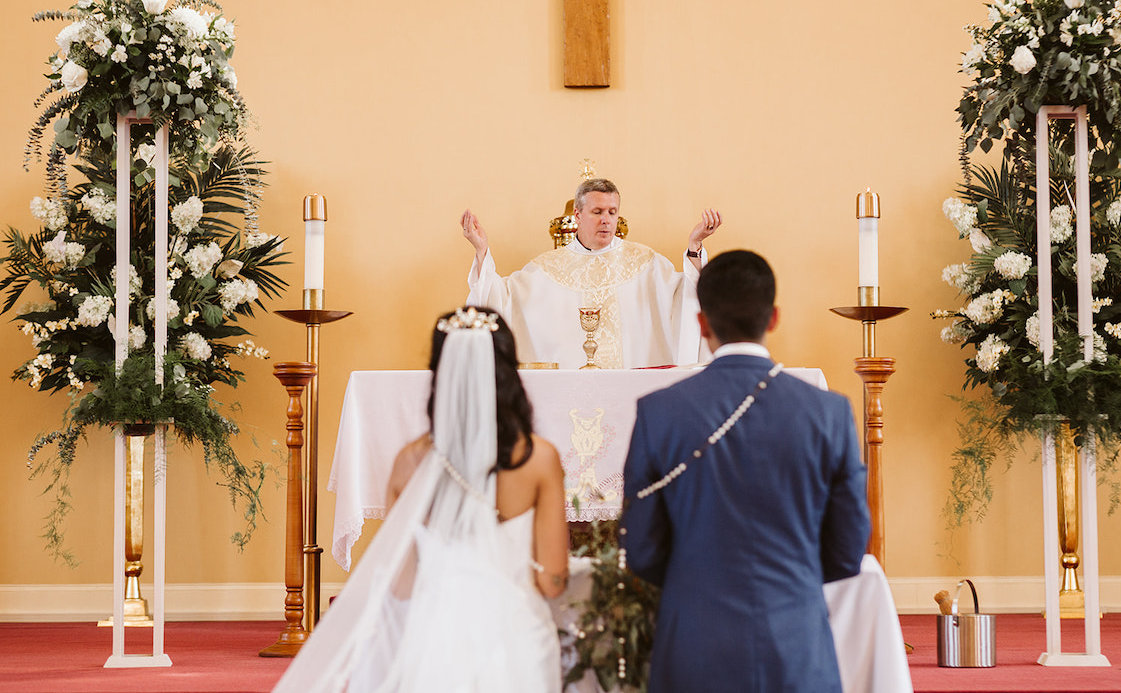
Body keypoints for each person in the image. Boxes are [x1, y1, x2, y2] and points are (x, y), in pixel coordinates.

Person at [272, 307, 569, 693]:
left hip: (434, 639)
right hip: (516, 639)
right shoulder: (538, 459)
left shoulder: (409, 463)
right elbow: (551, 581)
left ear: (440, 374)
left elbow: (401, 585)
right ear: (508, 373)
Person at [620, 250, 871, 693]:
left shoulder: (658, 412)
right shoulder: (829, 412)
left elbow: (642, 550)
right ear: (773, 318)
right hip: (795, 638)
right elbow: (848, 549)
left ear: (701, 323)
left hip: (693, 641)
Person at [461, 178, 722, 369]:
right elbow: (500, 299)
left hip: (631, 393)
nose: (606, 220)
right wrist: (482, 250)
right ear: (578, 214)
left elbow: (690, 295)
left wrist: (694, 247)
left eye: (612, 212)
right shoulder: (547, 268)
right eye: (597, 212)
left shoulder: (646, 263)